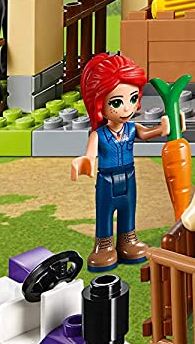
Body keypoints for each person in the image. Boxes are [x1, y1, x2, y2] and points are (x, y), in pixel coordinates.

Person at [71, 52, 169, 268]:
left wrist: (163, 128)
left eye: (133, 99)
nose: (127, 108)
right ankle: (104, 245)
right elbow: (90, 154)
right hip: (106, 180)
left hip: (129, 176)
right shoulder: (99, 134)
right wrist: (85, 162)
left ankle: (128, 240)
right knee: (105, 212)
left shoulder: (131, 128)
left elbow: (147, 134)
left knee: (128, 208)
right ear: (99, 104)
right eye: (117, 102)